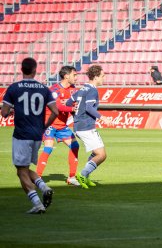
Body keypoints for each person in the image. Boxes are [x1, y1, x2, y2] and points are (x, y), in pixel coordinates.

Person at [1, 57, 59, 214]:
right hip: (37, 135)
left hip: (21, 135)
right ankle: (44, 187)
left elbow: (4, 112)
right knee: (25, 169)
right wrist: (44, 126)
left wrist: (12, 111)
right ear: (35, 70)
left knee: (20, 171)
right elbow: (55, 111)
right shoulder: (44, 89)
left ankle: (37, 204)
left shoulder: (14, 88)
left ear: (21, 69)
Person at [66, 65, 112, 189]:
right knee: (101, 155)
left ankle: (85, 176)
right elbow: (89, 108)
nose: (104, 78)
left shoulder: (82, 89)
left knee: (95, 152)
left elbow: (68, 103)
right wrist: (103, 118)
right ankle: (82, 174)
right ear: (96, 76)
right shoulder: (92, 90)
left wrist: (74, 113)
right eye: (102, 76)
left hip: (80, 126)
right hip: (86, 126)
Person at [36, 66, 80, 186]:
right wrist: (72, 108)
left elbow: (74, 104)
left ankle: (71, 177)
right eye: (74, 75)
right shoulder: (54, 89)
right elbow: (57, 107)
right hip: (49, 123)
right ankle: (37, 177)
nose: (76, 77)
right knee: (48, 147)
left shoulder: (73, 89)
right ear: (66, 76)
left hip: (62, 125)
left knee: (75, 146)